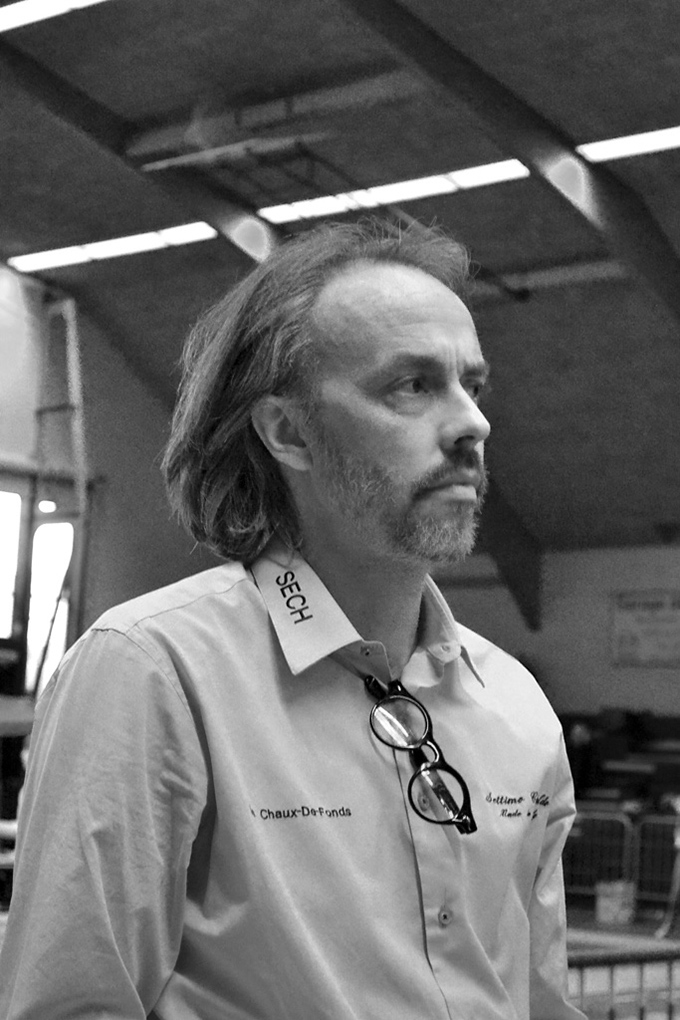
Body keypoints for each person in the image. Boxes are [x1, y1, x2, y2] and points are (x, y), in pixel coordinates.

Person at [0, 219, 584, 1020]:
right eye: (412, 385)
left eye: (470, 386)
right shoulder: (153, 673)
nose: (471, 424)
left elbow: (542, 1002)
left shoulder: (516, 705)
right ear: (287, 431)